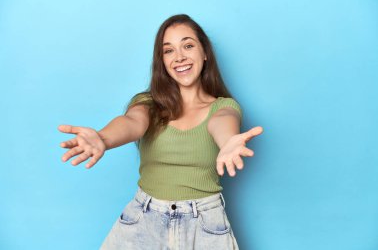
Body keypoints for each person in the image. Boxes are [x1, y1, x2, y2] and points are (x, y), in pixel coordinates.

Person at [58, 14, 263, 250]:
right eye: (168, 51)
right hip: (144, 218)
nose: (179, 57)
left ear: (205, 53)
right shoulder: (148, 103)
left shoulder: (223, 107)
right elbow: (132, 121)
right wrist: (103, 138)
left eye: (188, 45)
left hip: (204, 224)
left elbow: (223, 122)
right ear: (162, 61)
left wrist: (228, 142)